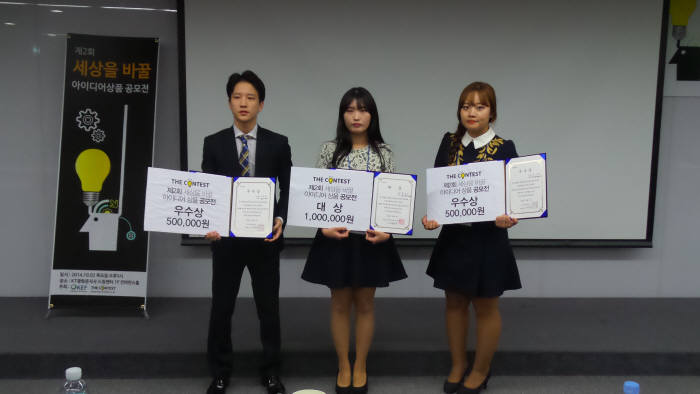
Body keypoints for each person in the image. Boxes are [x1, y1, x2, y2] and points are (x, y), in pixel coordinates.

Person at [301, 87, 407, 394]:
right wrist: (324, 228)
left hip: (371, 241)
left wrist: (388, 229)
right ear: (342, 115)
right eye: (349, 110)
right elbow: (316, 195)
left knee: (365, 305)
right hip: (336, 239)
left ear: (372, 115)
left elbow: (394, 198)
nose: (356, 116)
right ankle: (343, 365)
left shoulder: (383, 152)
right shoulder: (329, 149)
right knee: (338, 305)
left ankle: (360, 365)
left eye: (362, 109)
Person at [422, 82, 521, 394]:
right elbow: (439, 190)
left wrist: (509, 217)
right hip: (454, 239)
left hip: (488, 241)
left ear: (492, 112)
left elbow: (514, 200)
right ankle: (457, 364)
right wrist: (431, 216)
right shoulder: (449, 143)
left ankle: (480, 369)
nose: (472, 112)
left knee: (486, 306)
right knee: (453, 303)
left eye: (479, 106)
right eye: (466, 106)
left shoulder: (505, 147)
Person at [201, 70, 292, 394]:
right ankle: (220, 372)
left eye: (250, 97)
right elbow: (209, 191)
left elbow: (288, 189)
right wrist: (208, 224)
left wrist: (281, 219)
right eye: (237, 97)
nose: (243, 103)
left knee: (268, 309)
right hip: (226, 242)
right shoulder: (213, 143)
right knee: (222, 307)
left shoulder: (278, 143)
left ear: (261, 104)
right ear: (229, 102)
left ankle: (271, 371)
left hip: (265, 240)